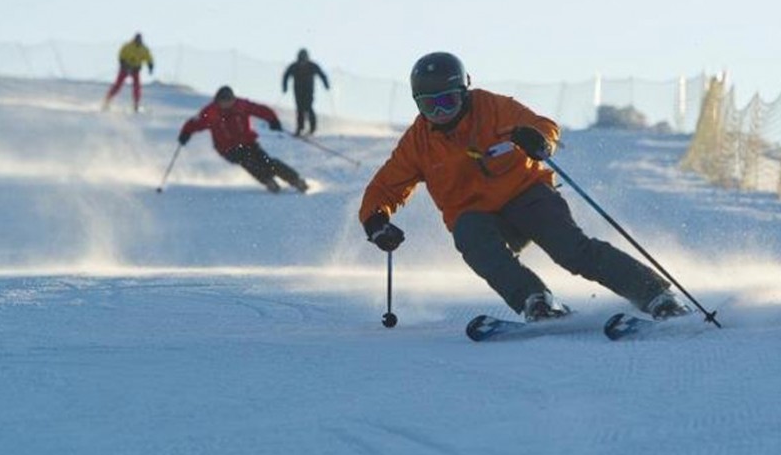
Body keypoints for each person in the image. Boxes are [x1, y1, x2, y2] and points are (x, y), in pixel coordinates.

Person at [358, 52, 690, 323]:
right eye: (429, 106)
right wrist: (376, 221)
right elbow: (386, 186)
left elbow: (544, 126)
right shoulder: (419, 142)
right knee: (473, 240)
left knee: (571, 250)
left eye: (447, 101)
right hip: (476, 215)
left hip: (527, 196)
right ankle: (536, 299)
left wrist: (537, 139)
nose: (440, 113)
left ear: (464, 93)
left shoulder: (493, 108)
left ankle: (656, 294)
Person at [178, 86, 308, 194]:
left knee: (267, 161)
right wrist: (185, 133)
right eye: (223, 101)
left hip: (248, 142)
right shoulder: (210, 112)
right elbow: (194, 123)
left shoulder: (241, 106)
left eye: (229, 100)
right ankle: (268, 181)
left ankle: (295, 180)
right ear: (218, 101)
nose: (227, 104)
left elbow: (261, 110)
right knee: (246, 160)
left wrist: (272, 119)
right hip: (227, 148)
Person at [282, 48, 330, 136]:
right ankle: (300, 128)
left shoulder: (312, 66)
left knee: (308, 107)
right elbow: (286, 75)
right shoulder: (294, 66)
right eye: (301, 59)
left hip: (309, 91)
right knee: (300, 108)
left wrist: (326, 84)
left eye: (303, 59)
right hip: (298, 91)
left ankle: (312, 127)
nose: (302, 61)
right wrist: (284, 87)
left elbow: (322, 74)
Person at [103, 33, 154, 112]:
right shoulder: (128, 46)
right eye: (137, 39)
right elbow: (121, 54)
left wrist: (150, 65)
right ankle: (107, 100)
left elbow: (148, 58)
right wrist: (123, 64)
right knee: (118, 85)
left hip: (135, 70)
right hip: (125, 68)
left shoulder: (143, 49)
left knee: (137, 86)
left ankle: (136, 104)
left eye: (139, 40)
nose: (138, 41)